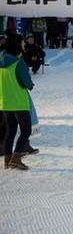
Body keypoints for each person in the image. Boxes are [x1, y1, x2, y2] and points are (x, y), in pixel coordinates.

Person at [1, 35, 34, 170]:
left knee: (11, 131)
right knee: (26, 130)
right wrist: (30, 84)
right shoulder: (18, 63)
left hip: (5, 102)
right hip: (19, 102)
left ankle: (8, 159)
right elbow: (27, 83)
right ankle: (16, 157)